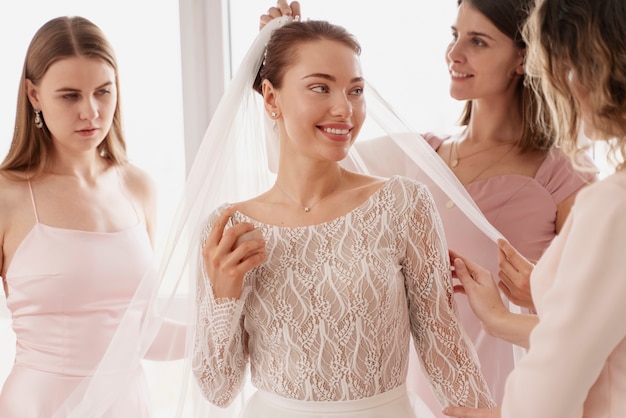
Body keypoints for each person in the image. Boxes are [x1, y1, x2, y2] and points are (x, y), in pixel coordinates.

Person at [259, 1, 595, 414]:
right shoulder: (418, 154)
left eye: (478, 41)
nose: (454, 54)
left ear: (522, 60)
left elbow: (600, 311)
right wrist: (284, 57)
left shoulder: (565, 177)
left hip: (517, 397)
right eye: (455, 36)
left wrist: (539, 292)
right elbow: (293, 160)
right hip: (418, 395)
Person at [192, 17, 495, 418]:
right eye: (320, 87)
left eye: (355, 90)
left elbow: (446, 349)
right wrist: (224, 297)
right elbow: (217, 390)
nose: (344, 108)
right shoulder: (230, 228)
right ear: (270, 98)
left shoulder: (402, 204)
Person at [440, 0, 626, 416]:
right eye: (454, 35)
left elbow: (567, 360)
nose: (565, 86)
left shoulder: (605, 200)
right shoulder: (421, 154)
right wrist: (501, 317)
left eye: (570, 67)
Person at [0, 16, 185, 417]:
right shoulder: (7, 196)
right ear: (33, 94)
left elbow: (141, 332)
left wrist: (236, 330)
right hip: (39, 407)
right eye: (69, 96)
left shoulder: (138, 188)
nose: (91, 112)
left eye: (103, 92)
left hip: (129, 405)